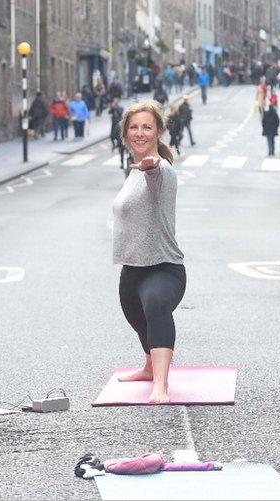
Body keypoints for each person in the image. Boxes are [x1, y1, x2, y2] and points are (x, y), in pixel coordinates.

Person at [111, 100, 186, 404]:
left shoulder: (161, 169)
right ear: (125, 134)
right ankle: (147, 366)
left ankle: (161, 384)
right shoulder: (132, 172)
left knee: (155, 307)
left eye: (147, 127)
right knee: (135, 316)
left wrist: (151, 166)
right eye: (134, 127)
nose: (139, 133)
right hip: (132, 269)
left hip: (164, 267)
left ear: (158, 132)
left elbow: (156, 177)